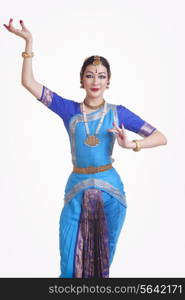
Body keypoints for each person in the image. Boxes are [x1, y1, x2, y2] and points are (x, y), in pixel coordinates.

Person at [3, 18, 167, 278]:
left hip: (110, 191)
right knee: (69, 267)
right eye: (90, 75)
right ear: (81, 80)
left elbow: (160, 137)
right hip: (76, 189)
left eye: (101, 76)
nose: (95, 80)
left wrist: (132, 144)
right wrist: (28, 42)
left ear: (108, 81)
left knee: (99, 267)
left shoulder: (117, 114)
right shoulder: (69, 110)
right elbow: (29, 83)